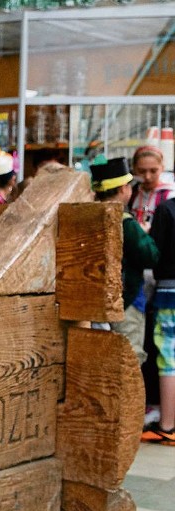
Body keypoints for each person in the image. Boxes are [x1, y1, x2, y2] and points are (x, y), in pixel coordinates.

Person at [90, 157, 159, 361]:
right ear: (123, 189)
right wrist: (145, 233)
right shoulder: (126, 222)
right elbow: (150, 256)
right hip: (126, 300)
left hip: (95, 300)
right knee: (129, 357)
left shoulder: (88, 214)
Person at [128, 145, 175, 427]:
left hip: (161, 273)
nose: (147, 176)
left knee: (163, 346)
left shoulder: (168, 195)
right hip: (140, 273)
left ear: (162, 167)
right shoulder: (132, 192)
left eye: (153, 171)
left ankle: (162, 410)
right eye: (142, 171)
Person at [141, 193, 175, 445]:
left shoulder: (166, 210)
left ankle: (167, 425)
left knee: (168, 359)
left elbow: (154, 254)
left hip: (169, 291)